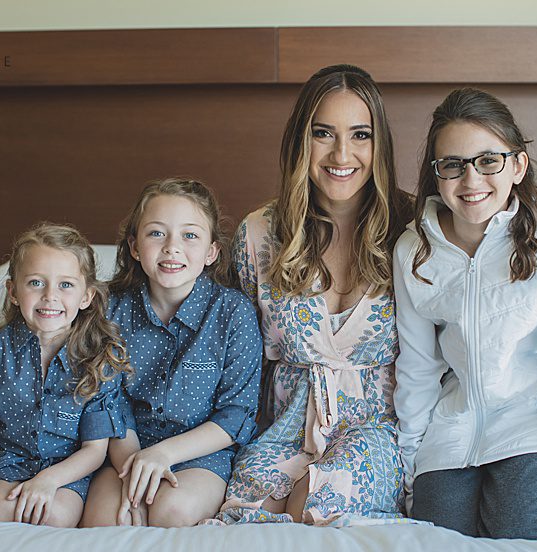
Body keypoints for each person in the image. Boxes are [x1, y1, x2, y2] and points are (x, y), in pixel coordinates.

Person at [393, 87, 537, 538]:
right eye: (452, 164)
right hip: (452, 432)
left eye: (488, 160)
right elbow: (417, 366)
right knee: (440, 540)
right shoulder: (413, 250)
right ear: (436, 175)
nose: (471, 180)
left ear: (517, 166)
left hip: (530, 427)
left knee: (519, 534)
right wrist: (411, 466)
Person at [209, 64, 413, 526]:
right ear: (300, 139)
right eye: (324, 133)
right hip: (281, 430)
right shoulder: (258, 234)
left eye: (360, 134)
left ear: (379, 144)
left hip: (377, 430)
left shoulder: (414, 231)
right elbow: (231, 354)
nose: (342, 153)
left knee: (317, 503)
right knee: (249, 515)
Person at [80, 178, 261, 527]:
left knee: (172, 511)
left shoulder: (232, 312)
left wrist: (164, 454)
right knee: (107, 519)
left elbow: (236, 414)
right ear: (134, 246)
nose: (172, 248)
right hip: (126, 449)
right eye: (156, 234)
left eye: (190, 235)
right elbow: (105, 404)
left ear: (211, 251)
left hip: (201, 453)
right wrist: (136, 464)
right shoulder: (110, 311)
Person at [0, 223, 129, 526]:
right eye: (35, 283)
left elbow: (95, 451)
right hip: (9, 461)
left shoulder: (99, 358)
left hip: (66, 468)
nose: (50, 296)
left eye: (66, 285)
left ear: (86, 296)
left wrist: (48, 480)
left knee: (55, 516)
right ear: (14, 291)